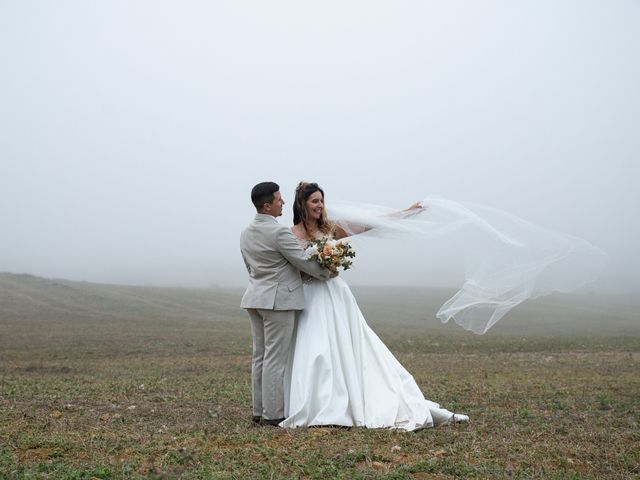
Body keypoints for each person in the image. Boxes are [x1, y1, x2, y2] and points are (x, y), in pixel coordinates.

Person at [281, 182, 469, 430]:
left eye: (321, 201)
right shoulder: (290, 234)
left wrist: (407, 212)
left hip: (335, 295)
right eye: (314, 201)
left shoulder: (331, 229)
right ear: (302, 203)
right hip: (308, 298)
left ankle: (351, 402)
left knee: (350, 346)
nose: (320, 206)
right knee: (314, 348)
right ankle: (318, 403)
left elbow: (371, 223)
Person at [240, 182, 331, 426]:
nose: (283, 203)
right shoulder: (279, 233)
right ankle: (273, 414)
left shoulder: (246, 232)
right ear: (267, 205)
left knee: (259, 356)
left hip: (254, 298)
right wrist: (329, 271)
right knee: (275, 359)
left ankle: (258, 411)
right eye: (279, 200)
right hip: (278, 301)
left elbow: (250, 267)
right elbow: (304, 262)